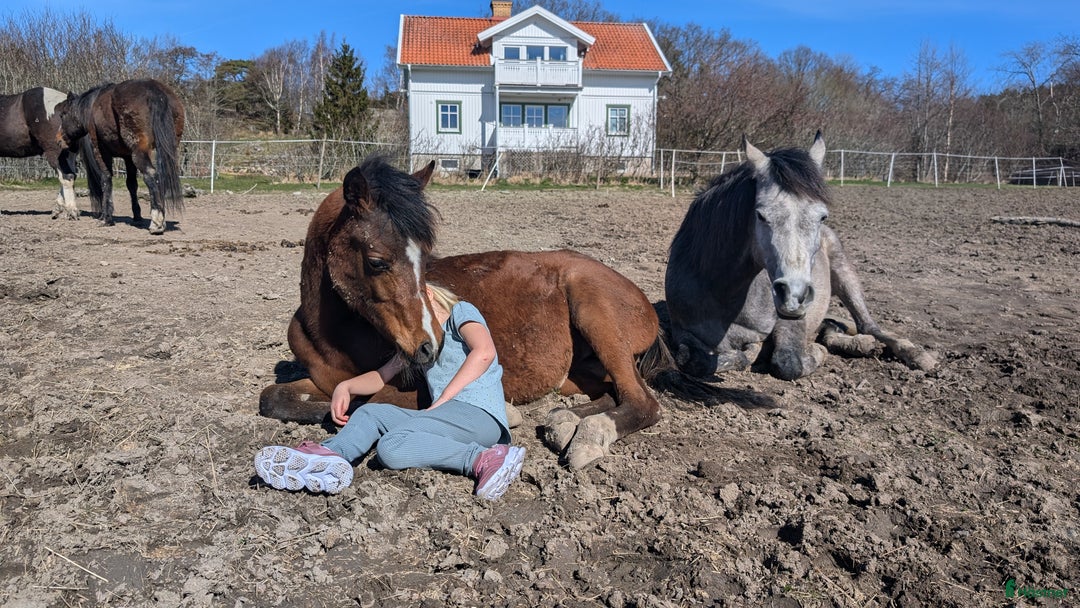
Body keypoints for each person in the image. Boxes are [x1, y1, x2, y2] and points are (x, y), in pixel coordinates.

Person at [254, 284, 525, 500]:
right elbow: (382, 376)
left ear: (429, 293)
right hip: (449, 416)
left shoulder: (461, 312)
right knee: (371, 413)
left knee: (392, 446)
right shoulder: (421, 339)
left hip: (478, 415)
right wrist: (345, 386)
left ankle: (483, 458)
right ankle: (332, 455)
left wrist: (442, 399)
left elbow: (485, 352)